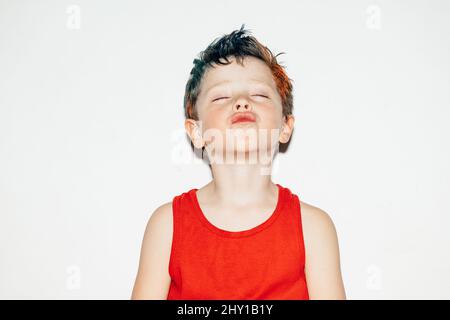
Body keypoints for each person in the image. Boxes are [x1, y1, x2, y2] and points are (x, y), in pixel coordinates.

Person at [131, 25, 346, 300]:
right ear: (196, 132)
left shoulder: (313, 227)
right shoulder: (167, 226)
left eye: (260, 95)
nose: (242, 102)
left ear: (285, 126)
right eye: (221, 97)